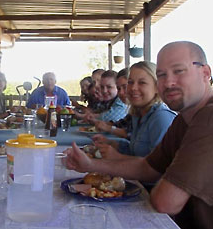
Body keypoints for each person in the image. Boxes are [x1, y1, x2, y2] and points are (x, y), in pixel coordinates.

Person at [65, 41, 213, 229]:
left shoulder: (208, 118)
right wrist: (90, 164)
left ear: (205, 73)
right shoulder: (182, 121)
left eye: (179, 71)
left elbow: (165, 202)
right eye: (161, 75)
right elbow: (148, 166)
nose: (168, 82)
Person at [94, 61, 177, 159]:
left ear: (157, 87)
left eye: (142, 83)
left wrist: (118, 157)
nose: (133, 88)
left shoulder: (161, 117)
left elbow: (159, 167)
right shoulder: (138, 115)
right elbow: (135, 151)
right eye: (130, 82)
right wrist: (111, 143)